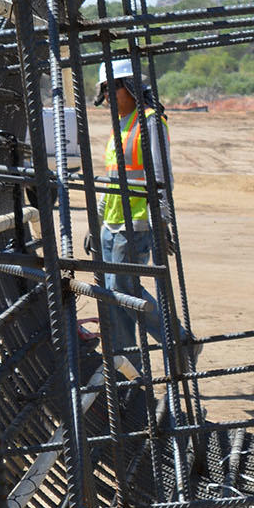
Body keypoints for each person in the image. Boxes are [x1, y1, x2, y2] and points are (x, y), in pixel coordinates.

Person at [95, 56, 172, 360]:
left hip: (135, 222)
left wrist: (162, 221)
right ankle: (128, 363)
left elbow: (161, 177)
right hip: (111, 224)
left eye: (114, 87)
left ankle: (178, 342)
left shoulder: (150, 121)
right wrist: (97, 220)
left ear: (130, 87)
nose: (109, 94)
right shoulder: (121, 126)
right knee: (114, 297)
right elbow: (114, 179)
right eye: (105, 88)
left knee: (125, 290)